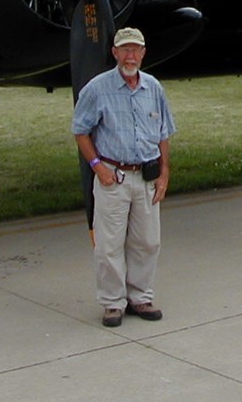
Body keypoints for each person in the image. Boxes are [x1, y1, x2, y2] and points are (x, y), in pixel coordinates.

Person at [72, 28, 177, 327]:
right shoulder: (97, 88)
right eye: (124, 50)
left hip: (145, 177)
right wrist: (97, 166)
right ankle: (112, 303)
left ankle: (141, 297)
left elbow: (164, 133)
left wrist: (164, 172)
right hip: (113, 176)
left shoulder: (154, 88)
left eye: (136, 50)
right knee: (109, 245)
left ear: (143, 54)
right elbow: (80, 130)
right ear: (115, 54)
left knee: (148, 241)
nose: (130, 56)